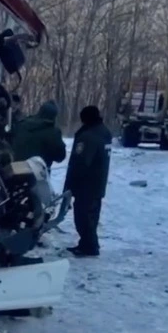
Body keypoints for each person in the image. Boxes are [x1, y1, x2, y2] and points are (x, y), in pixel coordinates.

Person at [63, 105, 113, 257]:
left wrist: (71, 185)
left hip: (86, 184)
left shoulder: (88, 137)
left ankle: (89, 246)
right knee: (92, 216)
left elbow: (80, 163)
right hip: (98, 182)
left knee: (83, 216)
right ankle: (88, 243)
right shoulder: (104, 132)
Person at [9, 100, 67, 169]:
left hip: (16, 170)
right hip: (38, 174)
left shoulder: (22, 125)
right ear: (54, 116)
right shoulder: (53, 132)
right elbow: (60, 157)